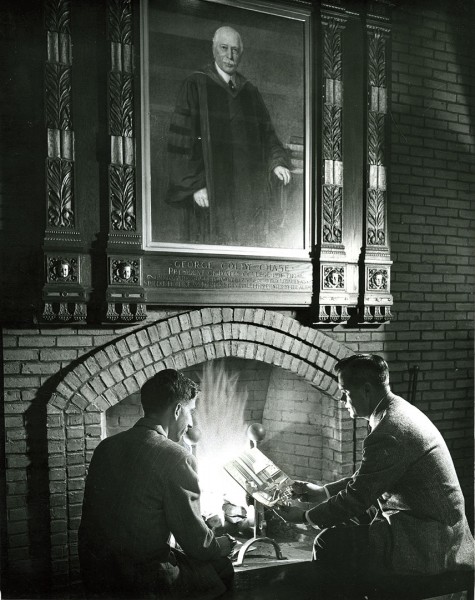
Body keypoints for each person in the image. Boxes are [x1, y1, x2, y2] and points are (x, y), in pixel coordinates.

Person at [278, 354, 474, 591]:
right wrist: (323, 492)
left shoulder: (389, 430)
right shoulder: (396, 411)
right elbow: (369, 479)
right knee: (346, 529)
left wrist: (303, 518)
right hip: (437, 530)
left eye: (346, 392)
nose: (342, 399)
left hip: (430, 543)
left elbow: (358, 497)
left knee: (327, 542)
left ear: (367, 390)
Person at [78, 369, 235, 599]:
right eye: (191, 411)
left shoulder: (105, 447)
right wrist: (221, 545)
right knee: (222, 569)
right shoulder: (177, 458)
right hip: (143, 580)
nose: (191, 423)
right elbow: (197, 544)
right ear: (178, 410)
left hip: (97, 574)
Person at [166, 26, 292, 247]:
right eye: (224, 48)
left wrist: (276, 163)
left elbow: (267, 135)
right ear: (214, 49)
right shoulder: (196, 85)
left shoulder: (250, 92)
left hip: (247, 193)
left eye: (235, 50)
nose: (230, 56)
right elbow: (182, 142)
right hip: (212, 192)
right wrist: (195, 185)